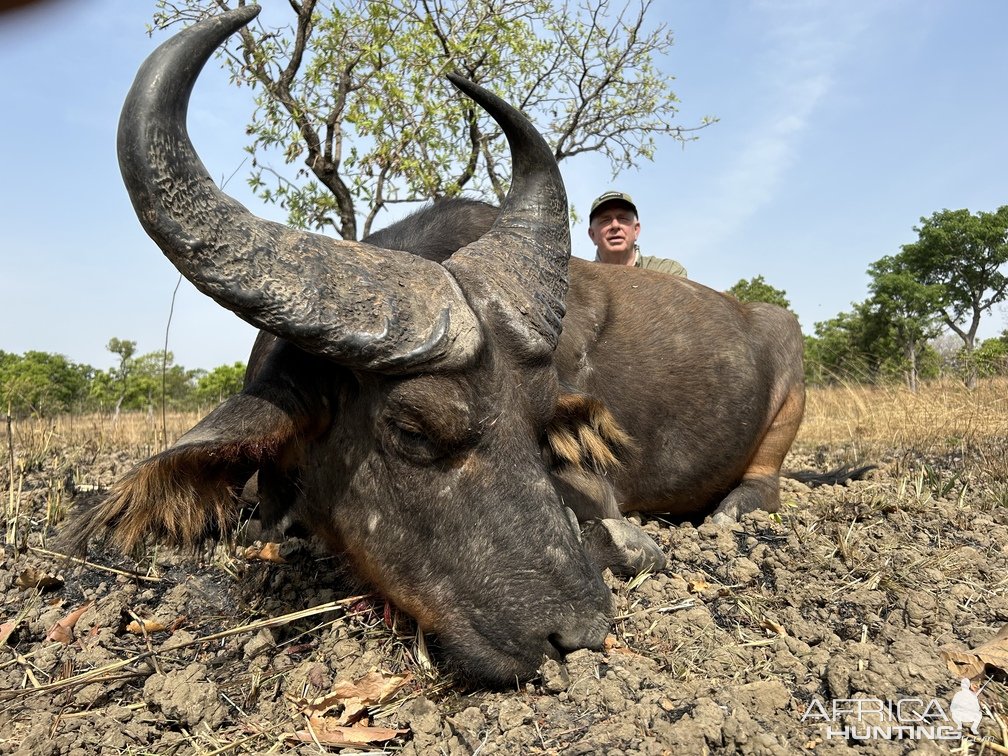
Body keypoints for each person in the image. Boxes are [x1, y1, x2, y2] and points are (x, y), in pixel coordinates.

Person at [587, 190, 687, 276]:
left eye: (623, 218)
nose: (615, 225)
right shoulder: (577, 282)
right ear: (592, 235)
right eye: (605, 220)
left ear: (636, 230)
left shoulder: (668, 272)